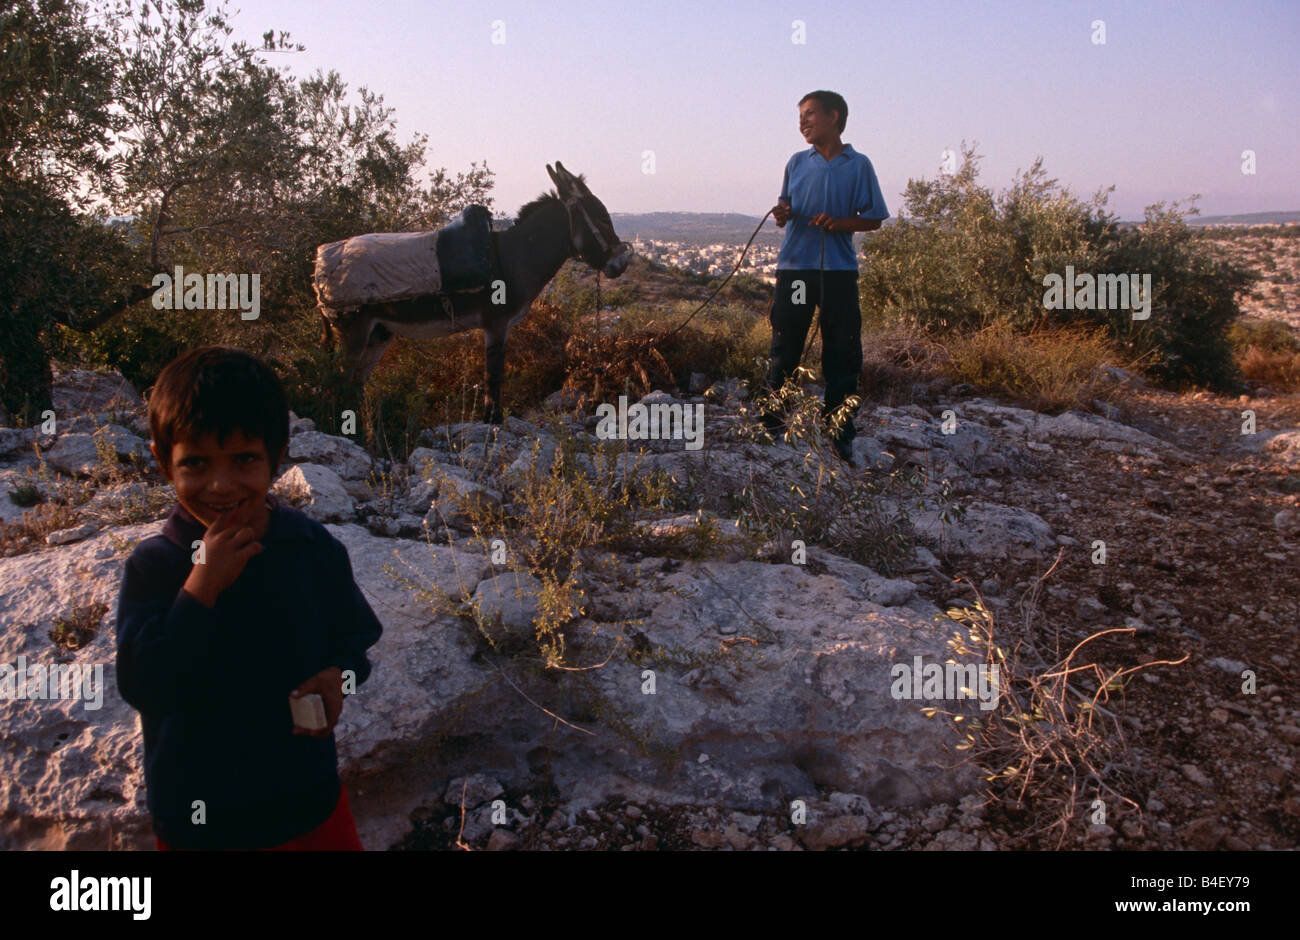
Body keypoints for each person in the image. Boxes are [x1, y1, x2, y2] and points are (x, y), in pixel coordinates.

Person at [115, 346, 383, 850]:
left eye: (243, 459)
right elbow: (143, 684)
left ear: (277, 456)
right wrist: (201, 586)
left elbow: (355, 639)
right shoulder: (154, 568)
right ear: (162, 462)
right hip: (201, 823)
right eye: (195, 462)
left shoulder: (309, 548)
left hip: (308, 808)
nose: (221, 485)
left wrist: (338, 679)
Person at [765, 90, 890, 464]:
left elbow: (874, 219)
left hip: (838, 273)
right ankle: (771, 425)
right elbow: (785, 206)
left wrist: (838, 224)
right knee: (786, 345)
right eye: (800, 116)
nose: (802, 122)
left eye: (810, 114)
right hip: (797, 271)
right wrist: (782, 213)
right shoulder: (795, 162)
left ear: (834, 116)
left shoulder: (859, 164)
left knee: (842, 351)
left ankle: (839, 433)